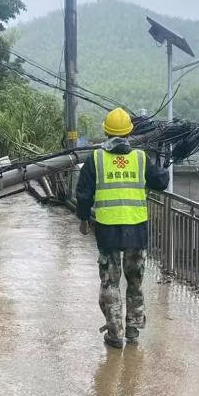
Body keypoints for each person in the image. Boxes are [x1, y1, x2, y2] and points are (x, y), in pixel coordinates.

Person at [76, 108, 169, 348]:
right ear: (129, 132)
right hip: (136, 231)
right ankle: (133, 331)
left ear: (106, 131)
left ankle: (114, 333)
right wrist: (163, 162)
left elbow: (84, 194)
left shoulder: (95, 159)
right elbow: (161, 182)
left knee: (110, 283)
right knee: (135, 282)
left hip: (107, 231)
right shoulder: (140, 158)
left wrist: (84, 219)